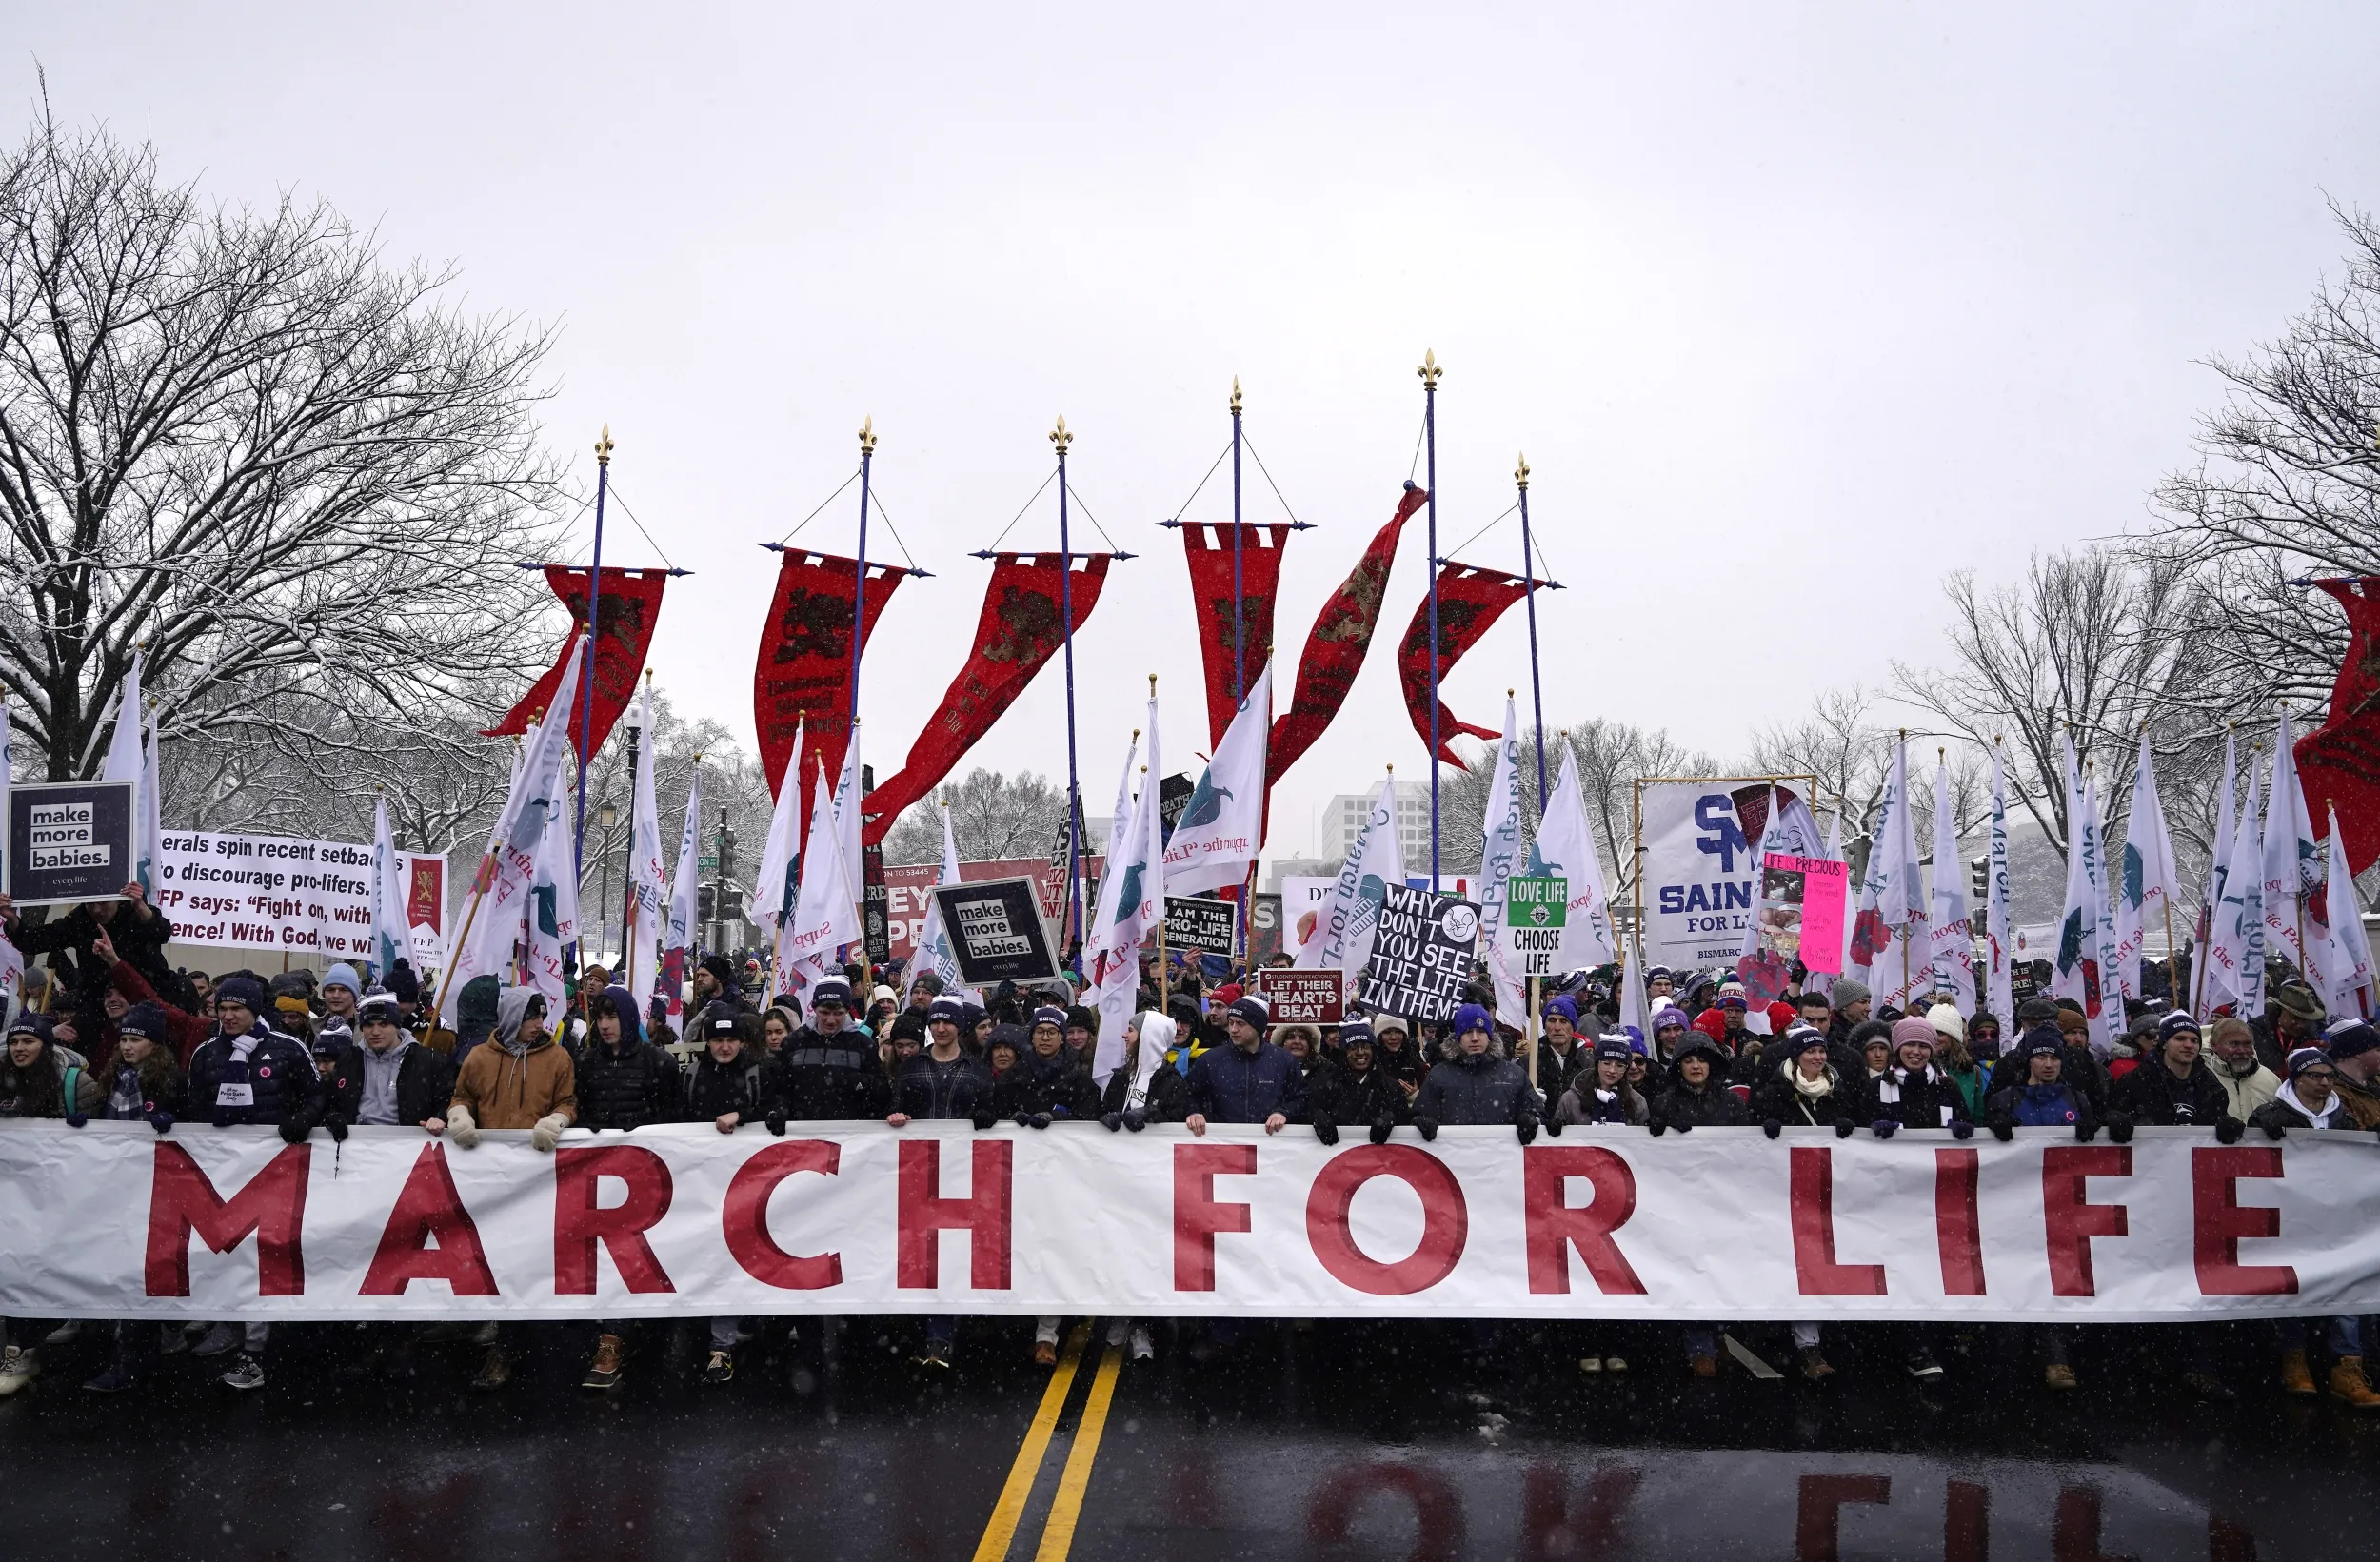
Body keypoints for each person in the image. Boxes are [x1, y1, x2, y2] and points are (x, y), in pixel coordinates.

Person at [177, 977, 324, 1391]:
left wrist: (301, 1121)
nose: (227, 1016)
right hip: (224, 1174)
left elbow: (316, 1095)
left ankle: (255, 1350)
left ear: (255, 1011)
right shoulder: (207, 1053)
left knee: (264, 1256)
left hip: (274, 1171)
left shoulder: (289, 1048)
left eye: (236, 1009)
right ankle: (226, 1325)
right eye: (221, 1009)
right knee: (224, 1251)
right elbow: (195, 1110)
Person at [446, 987, 577, 1390]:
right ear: (511, 1018)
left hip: (538, 1177)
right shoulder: (479, 1058)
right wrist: (459, 1117)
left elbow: (569, 1101)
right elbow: (461, 1095)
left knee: (535, 1260)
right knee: (497, 1260)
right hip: (492, 1179)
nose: (540, 1024)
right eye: (531, 1017)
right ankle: (501, 1346)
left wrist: (556, 1120)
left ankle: (537, 1347)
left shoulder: (558, 1057)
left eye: (542, 1017)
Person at [2248, 1049, 2380, 1407]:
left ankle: (2347, 1368)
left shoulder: (2345, 1119)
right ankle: (2295, 1360)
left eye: (2329, 1076)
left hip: (2339, 1223)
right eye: (2315, 1076)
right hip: (2292, 1222)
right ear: (2296, 1079)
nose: (2324, 1083)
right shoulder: (2269, 1115)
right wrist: (2257, 1131)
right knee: (2292, 1287)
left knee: (2349, 1287)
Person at [884, 994, 1000, 1371]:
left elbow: (991, 1110)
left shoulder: (977, 1069)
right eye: (935, 1022)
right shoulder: (911, 1067)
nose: (940, 1028)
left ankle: (942, 1336)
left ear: (958, 1026)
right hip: (918, 1174)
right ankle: (924, 1330)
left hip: (963, 1176)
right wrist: (896, 1116)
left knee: (952, 1254)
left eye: (947, 1022)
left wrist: (985, 1116)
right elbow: (894, 1105)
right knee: (919, 1253)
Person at [677, 1009, 780, 1384]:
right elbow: (676, 1119)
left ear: (741, 1041)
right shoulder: (691, 1074)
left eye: (731, 1040)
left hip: (745, 1186)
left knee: (736, 1254)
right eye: (718, 1040)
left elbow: (777, 1112)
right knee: (708, 1256)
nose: (724, 1047)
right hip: (701, 1184)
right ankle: (713, 1332)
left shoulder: (757, 1072)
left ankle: (722, 1342)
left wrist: (743, 1115)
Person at [1410, 1004, 1540, 1143]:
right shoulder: (1438, 1075)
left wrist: (1528, 1118)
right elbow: (1417, 1116)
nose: (1474, 1038)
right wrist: (1421, 1121)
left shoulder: (1514, 1074)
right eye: (1468, 1032)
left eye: (1480, 1031)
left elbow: (1538, 1113)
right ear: (1458, 1037)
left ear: (1489, 1036)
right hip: (1453, 1160)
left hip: (1503, 1160)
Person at [1185, 996, 1306, 1137]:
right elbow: (1187, 1094)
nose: (1233, 1029)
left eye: (1240, 1023)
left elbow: (1302, 1098)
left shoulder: (1283, 1060)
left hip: (1270, 1146)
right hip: (1223, 1145)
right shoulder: (1210, 1060)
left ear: (1257, 1026)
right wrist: (1193, 1112)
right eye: (1231, 1023)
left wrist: (1284, 1113)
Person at [2109, 1011, 2240, 1140]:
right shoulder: (2134, 1082)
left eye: (2194, 1040)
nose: (2189, 1045)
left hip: (2195, 1159)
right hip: (2147, 1159)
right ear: (2164, 1043)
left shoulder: (2211, 1086)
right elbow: (2113, 1116)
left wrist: (2226, 1123)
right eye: (2180, 1039)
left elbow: (2216, 1118)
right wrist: (2111, 1119)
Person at [779, 979, 888, 1122]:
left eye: (838, 1013)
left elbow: (882, 1094)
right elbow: (780, 1089)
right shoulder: (793, 1042)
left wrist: (863, 1083)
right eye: (824, 1012)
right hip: (802, 1135)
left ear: (848, 1011)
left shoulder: (863, 1044)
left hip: (848, 1136)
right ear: (814, 1008)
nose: (831, 1020)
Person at [352, 988, 453, 1131]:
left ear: (396, 1026)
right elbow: (333, 1102)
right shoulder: (351, 1059)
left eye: (383, 1024)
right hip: (357, 1143)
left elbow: (448, 1098)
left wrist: (440, 1117)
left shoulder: (427, 1060)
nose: (375, 1032)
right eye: (369, 1025)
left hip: (406, 1145)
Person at [1860, 1018, 1973, 1138]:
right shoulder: (1877, 1085)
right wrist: (1872, 1128)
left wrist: (1962, 1128)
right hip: (1894, 1156)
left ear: (1930, 1051)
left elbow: (1967, 1122)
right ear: (1898, 1048)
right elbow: (1861, 1131)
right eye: (1910, 1044)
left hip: (1935, 1155)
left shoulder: (1947, 1085)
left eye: (1923, 1046)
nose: (1916, 1051)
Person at [1310, 1020, 1408, 1141]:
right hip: (1338, 1156)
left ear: (1373, 1051)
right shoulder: (1325, 1085)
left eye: (1365, 1046)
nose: (1360, 1052)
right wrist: (1316, 1116)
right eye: (1353, 1047)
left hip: (1380, 1157)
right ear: (1344, 1053)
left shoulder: (1391, 1087)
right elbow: (1304, 1119)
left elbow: (1407, 1126)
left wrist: (1393, 1118)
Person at [1752, 1029, 1855, 1133]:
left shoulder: (1836, 1088)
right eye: (1811, 1051)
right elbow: (1755, 1124)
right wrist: (1766, 1124)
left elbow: (1853, 1117)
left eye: (1822, 1051)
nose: (1818, 1057)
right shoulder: (1775, 1091)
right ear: (1796, 1056)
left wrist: (1845, 1123)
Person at [1557, 1033, 1650, 1127]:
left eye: (1620, 1066)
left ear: (1626, 1069)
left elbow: (1645, 1140)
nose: (1612, 1070)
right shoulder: (1571, 1099)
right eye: (1606, 1063)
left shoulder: (1636, 1101)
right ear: (1597, 1064)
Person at [2204, 1016, 2280, 1123]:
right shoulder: (2201, 1077)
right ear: (2214, 1045)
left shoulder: (2271, 1080)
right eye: (2233, 1044)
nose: (2241, 1050)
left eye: (2247, 1044)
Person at [2324, 1019, 2380, 1129]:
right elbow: (2351, 1138)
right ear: (2358, 1053)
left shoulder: (2375, 1081)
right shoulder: (2332, 1092)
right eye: (2378, 1050)